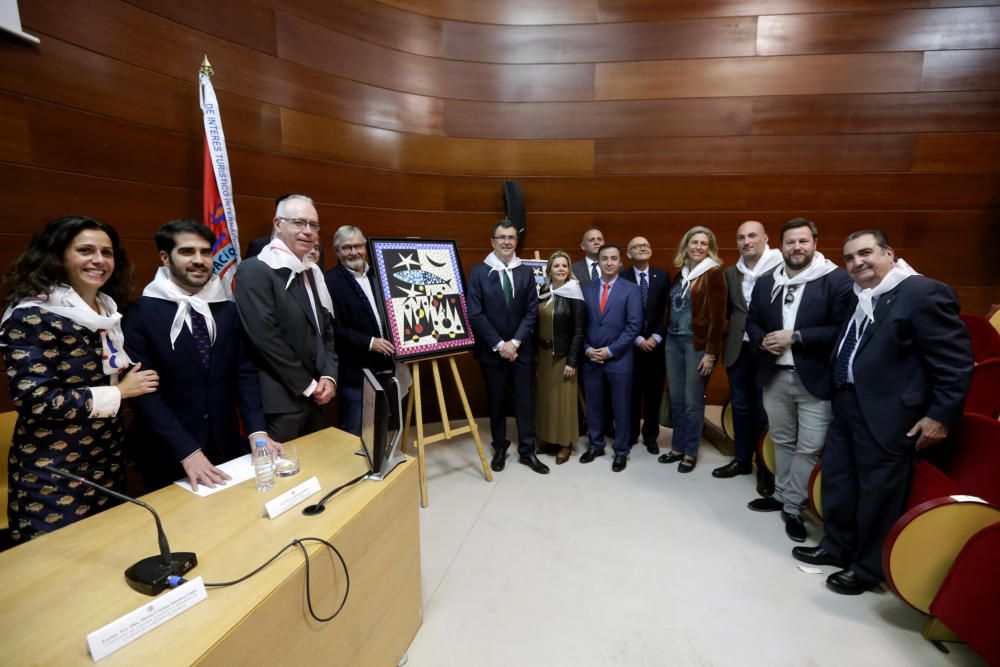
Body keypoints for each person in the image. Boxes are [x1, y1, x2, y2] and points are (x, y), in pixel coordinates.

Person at [793, 230, 973, 595]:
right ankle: (837, 546)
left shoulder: (922, 292)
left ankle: (868, 567)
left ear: (889, 253)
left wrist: (940, 415)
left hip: (889, 414)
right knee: (840, 479)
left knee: (878, 493)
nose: (857, 263)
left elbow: (955, 363)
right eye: (849, 258)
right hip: (847, 402)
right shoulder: (863, 294)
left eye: (865, 253)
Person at [0, 216, 159, 542]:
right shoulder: (31, 315)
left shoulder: (107, 313)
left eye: (107, 252)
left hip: (106, 462)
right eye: (86, 250)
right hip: (53, 471)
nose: (99, 260)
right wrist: (120, 393)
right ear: (58, 256)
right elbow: (36, 399)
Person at [122, 219, 282, 492]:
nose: (199, 260)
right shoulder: (139, 315)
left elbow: (244, 373)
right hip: (167, 452)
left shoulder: (227, 310)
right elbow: (145, 394)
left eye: (205, 252)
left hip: (224, 446)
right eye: (187, 252)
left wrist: (257, 432)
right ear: (165, 257)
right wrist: (187, 451)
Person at [746, 218, 853, 543]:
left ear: (815, 243)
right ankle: (781, 495)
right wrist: (763, 338)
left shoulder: (834, 280)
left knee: (810, 446)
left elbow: (841, 329)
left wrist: (797, 336)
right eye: (790, 242)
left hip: (814, 379)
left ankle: (793, 506)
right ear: (782, 245)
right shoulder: (767, 282)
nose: (796, 248)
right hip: (775, 375)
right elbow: (752, 320)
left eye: (803, 241)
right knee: (781, 439)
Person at [234, 194, 338, 442]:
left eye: (313, 225)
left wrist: (329, 375)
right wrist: (308, 385)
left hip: (317, 395)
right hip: (281, 403)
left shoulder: (310, 271)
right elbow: (265, 338)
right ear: (278, 224)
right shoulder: (254, 269)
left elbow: (325, 330)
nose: (308, 231)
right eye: (299, 223)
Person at [467, 219, 548, 474]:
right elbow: (476, 313)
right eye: (501, 237)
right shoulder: (479, 272)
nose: (506, 242)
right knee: (497, 402)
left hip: (521, 350)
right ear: (492, 241)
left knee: (525, 400)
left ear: (516, 242)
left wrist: (514, 343)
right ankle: (500, 447)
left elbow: (531, 311)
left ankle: (527, 450)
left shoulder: (525, 272)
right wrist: (500, 344)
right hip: (492, 352)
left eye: (511, 238)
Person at [713, 221, 783, 494]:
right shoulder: (732, 273)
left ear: (765, 238)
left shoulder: (780, 268)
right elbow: (730, 311)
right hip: (738, 351)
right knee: (740, 408)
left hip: (767, 350)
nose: (746, 241)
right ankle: (742, 460)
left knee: (765, 411)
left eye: (752, 236)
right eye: (741, 237)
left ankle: (766, 469)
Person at [658, 227, 726, 474]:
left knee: (692, 401)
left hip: (696, 346)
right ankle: (676, 448)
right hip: (673, 343)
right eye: (693, 242)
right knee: (676, 399)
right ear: (686, 246)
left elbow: (718, 319)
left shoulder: (713, 274)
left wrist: (710, 353)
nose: (698, 247)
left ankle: (690, 451)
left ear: (710, 248)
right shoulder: (681, 274)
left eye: (703, 243)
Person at [324, 225, 395, 435]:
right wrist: (370, 342)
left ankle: (379, 464)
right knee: (355, 426)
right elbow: (333, 328)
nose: (354, 252)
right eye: (346, 248)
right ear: (337, 251)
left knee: (383, 422)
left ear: (365, 247)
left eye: (358, 246)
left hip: (387, 363)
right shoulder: (330, 281)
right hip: (354, 371)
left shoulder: (382, 275)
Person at [579, 243, 642, 472]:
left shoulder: (631, 289)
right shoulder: (585, 288)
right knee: (594, 405)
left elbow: (633, 326)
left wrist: (611, 351)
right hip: (591, 358)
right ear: (598, 262)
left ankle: (621, 451)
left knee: (621, 407)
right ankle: (595, 445)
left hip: (619, 360)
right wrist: (586, 348)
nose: (608, 263)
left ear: (620, 261)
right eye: (604, 259)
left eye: (613, 258)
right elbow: (579, 325)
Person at [619, 236, 669, 455]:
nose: (642, 248)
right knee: (631, 393)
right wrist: (638, 338)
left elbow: (668, 311)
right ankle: (630, 435)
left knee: (654, 393)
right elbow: (620, 313)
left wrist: (656, 336)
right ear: (628, 254)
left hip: (657, 347)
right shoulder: (622, 277)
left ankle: (651, 436)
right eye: (636, 246)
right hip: (631, 346)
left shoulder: (662, 276)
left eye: (645, 245)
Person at [534, 251, 584, 465]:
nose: (561, 269)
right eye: (556, 266)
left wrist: (572, 361)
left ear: (569, 270)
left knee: (563, 402)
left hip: (563, 356)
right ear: (549, 270)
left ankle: (565, 444)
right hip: (544, 356)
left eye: (564, 265)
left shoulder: (574, 293)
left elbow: (579, 331)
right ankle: (546, 437)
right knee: (545, 400)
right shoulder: (544, 291)